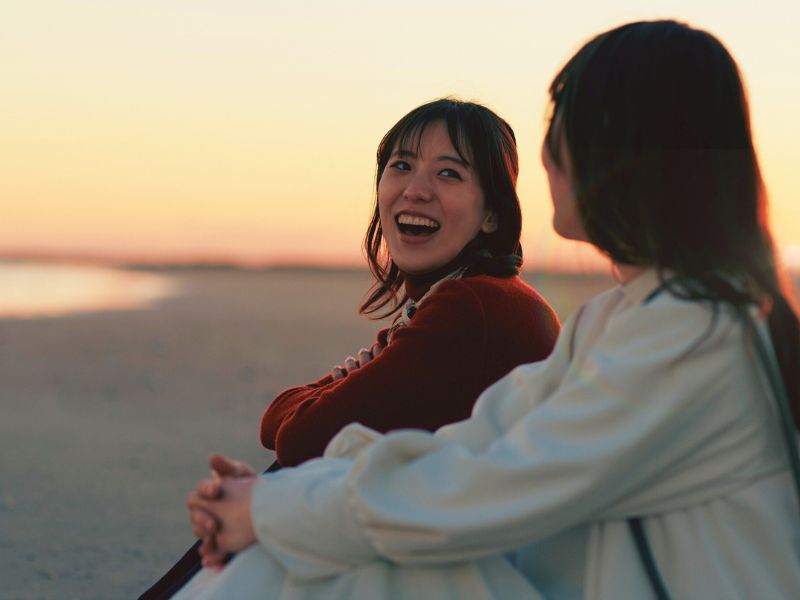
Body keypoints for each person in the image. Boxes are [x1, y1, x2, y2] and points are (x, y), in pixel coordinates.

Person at [179, 20, 800, 599]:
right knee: (320, 553)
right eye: (401, 166)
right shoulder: (624, 318)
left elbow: (490, 483)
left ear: (621, 153)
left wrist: (272, 508)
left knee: (323, 559)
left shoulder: (692, 333)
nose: (548, 153)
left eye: (562, 123)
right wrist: (275, 501)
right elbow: (481, 443)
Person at [140, 98, 559, 599]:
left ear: (491, 214)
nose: (416, 189)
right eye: (401, 166)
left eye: (449, 174)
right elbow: (286, 427)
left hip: (491, 568)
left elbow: (300, 438)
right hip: (465, 545)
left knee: (290, 496)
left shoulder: (473, 306)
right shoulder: (455, 298)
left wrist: (277, 476)